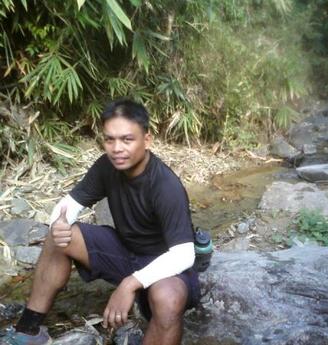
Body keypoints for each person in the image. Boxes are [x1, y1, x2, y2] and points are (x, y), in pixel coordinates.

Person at [0, 99, 200, 345]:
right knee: (60, 234)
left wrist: (130, 284)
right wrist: (59, 223)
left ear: (147, 140)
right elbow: (69, 204)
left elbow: (183, 255)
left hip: (166, 270)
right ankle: (28, 329)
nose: (117, 148)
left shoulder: (165, 186)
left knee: (167, 299)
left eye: (127, 139)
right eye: (110, 139)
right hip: (127, 254)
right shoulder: (107, 166)